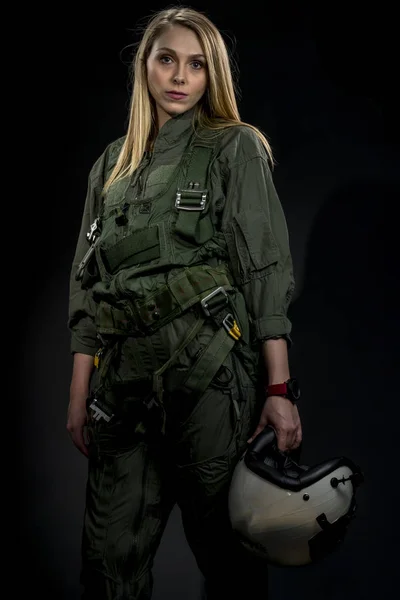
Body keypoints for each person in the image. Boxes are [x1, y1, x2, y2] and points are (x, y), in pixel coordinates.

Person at [67, 5, 302, 599]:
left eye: (197, 65)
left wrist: (278, 391)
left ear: (211, 76)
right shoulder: (110, 169)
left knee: (228, 559)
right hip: (120, 393)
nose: (179, 77)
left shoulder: (234, 148)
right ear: (144, 66)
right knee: (108, 566)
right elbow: (87, 292)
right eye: (166, 58)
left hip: (210, 381)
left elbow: (265, 269)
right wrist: (78, 398)